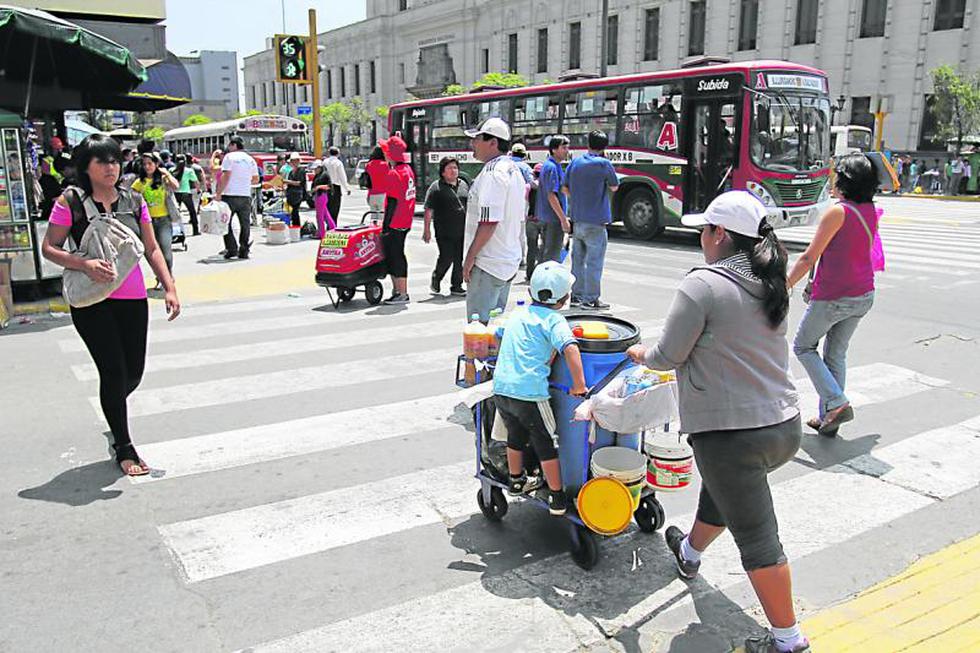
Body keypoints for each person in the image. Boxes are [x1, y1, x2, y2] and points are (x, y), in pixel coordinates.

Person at [626, 190, 806, 653]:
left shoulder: (703, 284)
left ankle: (788, 641)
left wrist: (640, 353)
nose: (701, 238)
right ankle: (689, 553)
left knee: (759, 539)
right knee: (724, 492)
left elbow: (668, 355)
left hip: (732, 435)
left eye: (704, 229)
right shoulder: (769, 281)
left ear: (720, 234)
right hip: (784, 425)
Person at [40, 134, 181, 477]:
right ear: (85, 167)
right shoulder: (70, 201)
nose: (111, 168)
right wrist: (84, 264)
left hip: (132, 298)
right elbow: (49, 247)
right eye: (102, 162)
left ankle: (112, 407)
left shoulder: (134, 200)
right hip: (92, 300)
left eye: (115, 160)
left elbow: (152, 249)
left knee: (133, 372)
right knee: (114, 372)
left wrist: (170, 286)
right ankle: (123, 445)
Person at [787, 153, 879, 437]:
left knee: (803, 346)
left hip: (835, 297)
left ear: (846, 181)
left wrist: (785, 284)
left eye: (836, 175)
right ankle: (830, 417)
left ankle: (837, 402)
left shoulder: (838, 212)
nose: (832, 179)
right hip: (863, 293)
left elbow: (808, 258)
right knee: (835, 354)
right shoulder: (870, 210)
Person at [493, 261, 587, 516]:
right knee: (547, 442)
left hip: (502, 389)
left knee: (515, 436)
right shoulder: (555, 320)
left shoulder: (517, 313)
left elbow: (499, 334)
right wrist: (579, 385)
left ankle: (516, 481)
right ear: (564, 298)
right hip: (530, 394)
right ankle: (557, 497)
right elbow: (570, 347)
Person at [462, 117, 526, 322]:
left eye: (477, 139)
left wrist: (469, 258)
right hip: (506, 261)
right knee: (493, 329)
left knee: (478, 332)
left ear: (493, 142)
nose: (473, 144)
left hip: (488, 263)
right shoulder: (513, 169)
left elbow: (489, 222)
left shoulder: (493, 172)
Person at [564, 130, 619, 310]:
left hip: (577, 219)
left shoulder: (575, 162)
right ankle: (590, 299)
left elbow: (565, 188)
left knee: (577, 261)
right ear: (604, 147)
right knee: (594, 262)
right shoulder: (604, 164)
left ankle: (576, 296)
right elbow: (614, 187)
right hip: (596, 221)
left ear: (588, 144)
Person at [423, 156, 469, 296]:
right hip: (444, 231)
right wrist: (426, 230)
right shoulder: (436, 187)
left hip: (462, 229)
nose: (453, 171)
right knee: (446, 257)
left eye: (455, 168)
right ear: (443, 172)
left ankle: (456, 285)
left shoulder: (464, 184)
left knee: (459, 258)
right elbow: (428, 209)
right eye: (449, 168)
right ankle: (437, 277)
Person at [132, 152, 179, 286]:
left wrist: (167, 174)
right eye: (144, 164)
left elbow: (176, 186)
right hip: (148, 221)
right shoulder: (139, 182)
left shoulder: (163, 179)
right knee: (153, 252)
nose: (147, 167)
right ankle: (160, 278)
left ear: (156, 164)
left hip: (164, 219)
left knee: (166, 250)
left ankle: (168, 276)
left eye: (150, 163)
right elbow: (131, 197)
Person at [379, 135, 416, 304]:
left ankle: (401, 293)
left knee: (395, 256)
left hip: (395, 221)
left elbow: (392, 202)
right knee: (398, 254)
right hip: (405, 220)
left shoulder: (394, 173)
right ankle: (398, 291)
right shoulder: (408, 170)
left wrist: (385, 226)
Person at [215, 136, 259, 259]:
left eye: (230, 145)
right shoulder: (251, 160)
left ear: (234, 145)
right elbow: (255, 179)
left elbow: (226, 176)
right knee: (245, 224)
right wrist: (243, 181)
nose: (228, 147)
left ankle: (232, 248)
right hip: (245, 195)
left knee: (225, 223)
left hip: (229, 195)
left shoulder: (229, 157)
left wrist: (218, 192)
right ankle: (244, 249)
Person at [535, 135, 571, 263]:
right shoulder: (552, 167)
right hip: (553, 219)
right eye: (564, 147)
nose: (567, 151)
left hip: (548, 218)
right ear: (554, 149)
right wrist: (563, 219)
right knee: (551, 256)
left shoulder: (552, 166)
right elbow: (551, 195)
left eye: (567, 148)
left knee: (546, 252)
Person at [509, 142, 534, 267]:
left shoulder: (506, 165)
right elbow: (532, 183)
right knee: (520, 231)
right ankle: (521, 258)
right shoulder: (526, 168)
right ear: (524, 155)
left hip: (506, 202)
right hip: (521, 203)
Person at [524, 162, 545, 283]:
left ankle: (529, 274)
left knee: (531, 248)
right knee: (544, 248)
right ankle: (541, 273)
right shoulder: (547, 187)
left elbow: (525, 203)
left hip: (531, 221)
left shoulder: (528, 187)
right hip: (543, 220)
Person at [172, 154, 200, 236]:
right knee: (192, 212)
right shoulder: (189, 171)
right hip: (186, 193)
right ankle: (195, 230)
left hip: (175, 194)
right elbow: (195, 181)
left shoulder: (171, 170)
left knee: (174, 213)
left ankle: (175, 232)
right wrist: (198, 190)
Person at [323, 146, 351, 222]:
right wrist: (347, 188)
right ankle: (333, 226)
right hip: (335, 187)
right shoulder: (338, 163)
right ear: (338, 154)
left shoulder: (325, 162)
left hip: (325, 187)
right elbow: (342, 177)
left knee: (327, 208)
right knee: (335, 209)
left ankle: (328, 224)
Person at [310, 160, 335, 238]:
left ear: (320, 168)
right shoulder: (317, 176)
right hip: (318, 196)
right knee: (326, 215)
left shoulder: (325, 175)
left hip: (322, 195)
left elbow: (329, 186)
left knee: (319, 216)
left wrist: (318, 187)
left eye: (316, 168)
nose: (314, 170)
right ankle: (334, 229)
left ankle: (322, 234)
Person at [282, 152, 307, 227]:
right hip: (290, 194)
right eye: (292, 161)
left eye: (295, 160)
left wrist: (286, 181)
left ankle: (297, 227)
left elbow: (299, 183)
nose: (294, 162)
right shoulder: (290, 172)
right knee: (292, 212)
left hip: (298, 194)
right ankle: (294, 226)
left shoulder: (301, 171)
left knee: (295, 211)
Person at [365, 145, 389, 214]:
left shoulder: (369, 165)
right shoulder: (385, 165)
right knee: (382, 217)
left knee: (374, 218)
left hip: (372, 194)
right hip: (383, 194)